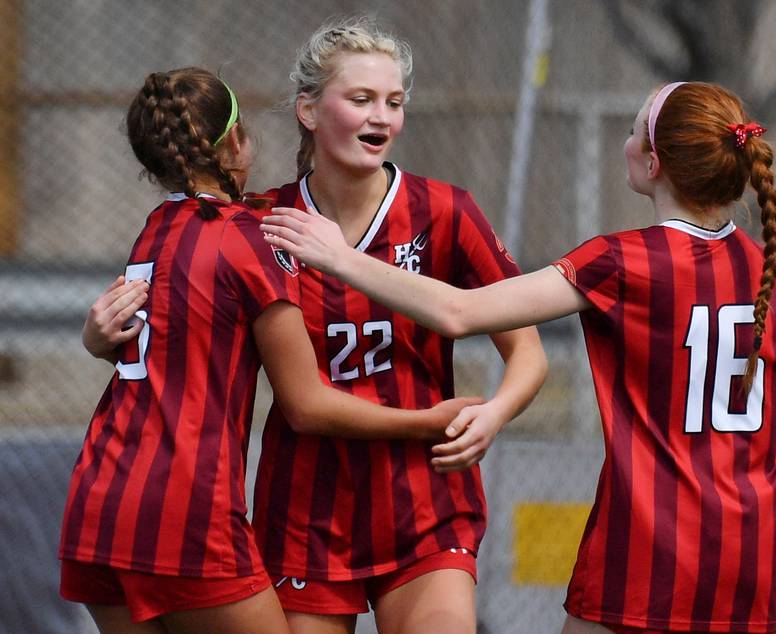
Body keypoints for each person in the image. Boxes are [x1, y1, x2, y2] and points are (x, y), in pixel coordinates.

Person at [262, 81, 776, 633]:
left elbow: (460, 313)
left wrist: (339, 257)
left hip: (651, 546)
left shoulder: (622, 260)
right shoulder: (766, 271)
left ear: (654, 162)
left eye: (634, 130)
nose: (626, 141)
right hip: (749, 547)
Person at [60, 67, 480, 634]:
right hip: (186, 511)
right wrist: (429, 420)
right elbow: (305, 404)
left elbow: (160, 346)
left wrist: (93, 341)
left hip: (97, 508)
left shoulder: (156, 229)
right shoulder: (254, 236)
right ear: (234, 142)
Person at [247, 17, 546, 634]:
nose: (381, 116)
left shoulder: (443, 211)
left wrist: (493, 414)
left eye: (395, 101)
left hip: (425, 495)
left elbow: (529, 354)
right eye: (360, 100)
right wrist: (104, 334)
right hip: (308, 506)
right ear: (308, 110)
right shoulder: (266, 222)